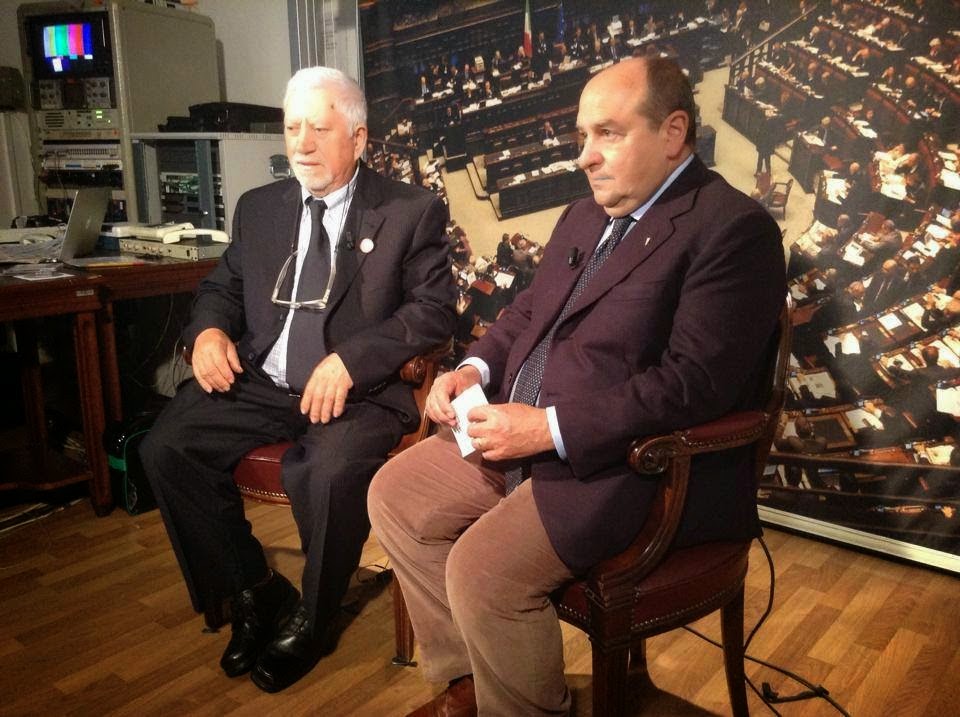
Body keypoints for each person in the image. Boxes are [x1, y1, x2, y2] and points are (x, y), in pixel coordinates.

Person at [367, 57, 785, 716]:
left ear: (673, 132)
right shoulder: (583, 216)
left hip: (630, 467)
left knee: (480, 572)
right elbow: (529, 313)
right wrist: (473, 369)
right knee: (394, 494)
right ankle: (470, 683)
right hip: (523, 436)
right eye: (582, 136)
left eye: (607, 134)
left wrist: (548, 429)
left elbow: (694, 384)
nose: (584, 156)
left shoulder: (732, 229)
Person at [139, 66, 457, 693]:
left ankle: (315, 614)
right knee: (166, 448)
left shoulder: (409, 210)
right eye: (292, 129)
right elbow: (223, 288)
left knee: (327, 472)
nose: (302, 145)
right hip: (265, 378)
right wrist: (208, 332)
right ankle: (255, 588)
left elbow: (433, 311)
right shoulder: (259, 208)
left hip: (358, 391)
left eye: (320, 129)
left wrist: (352, 360)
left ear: (358, 138)